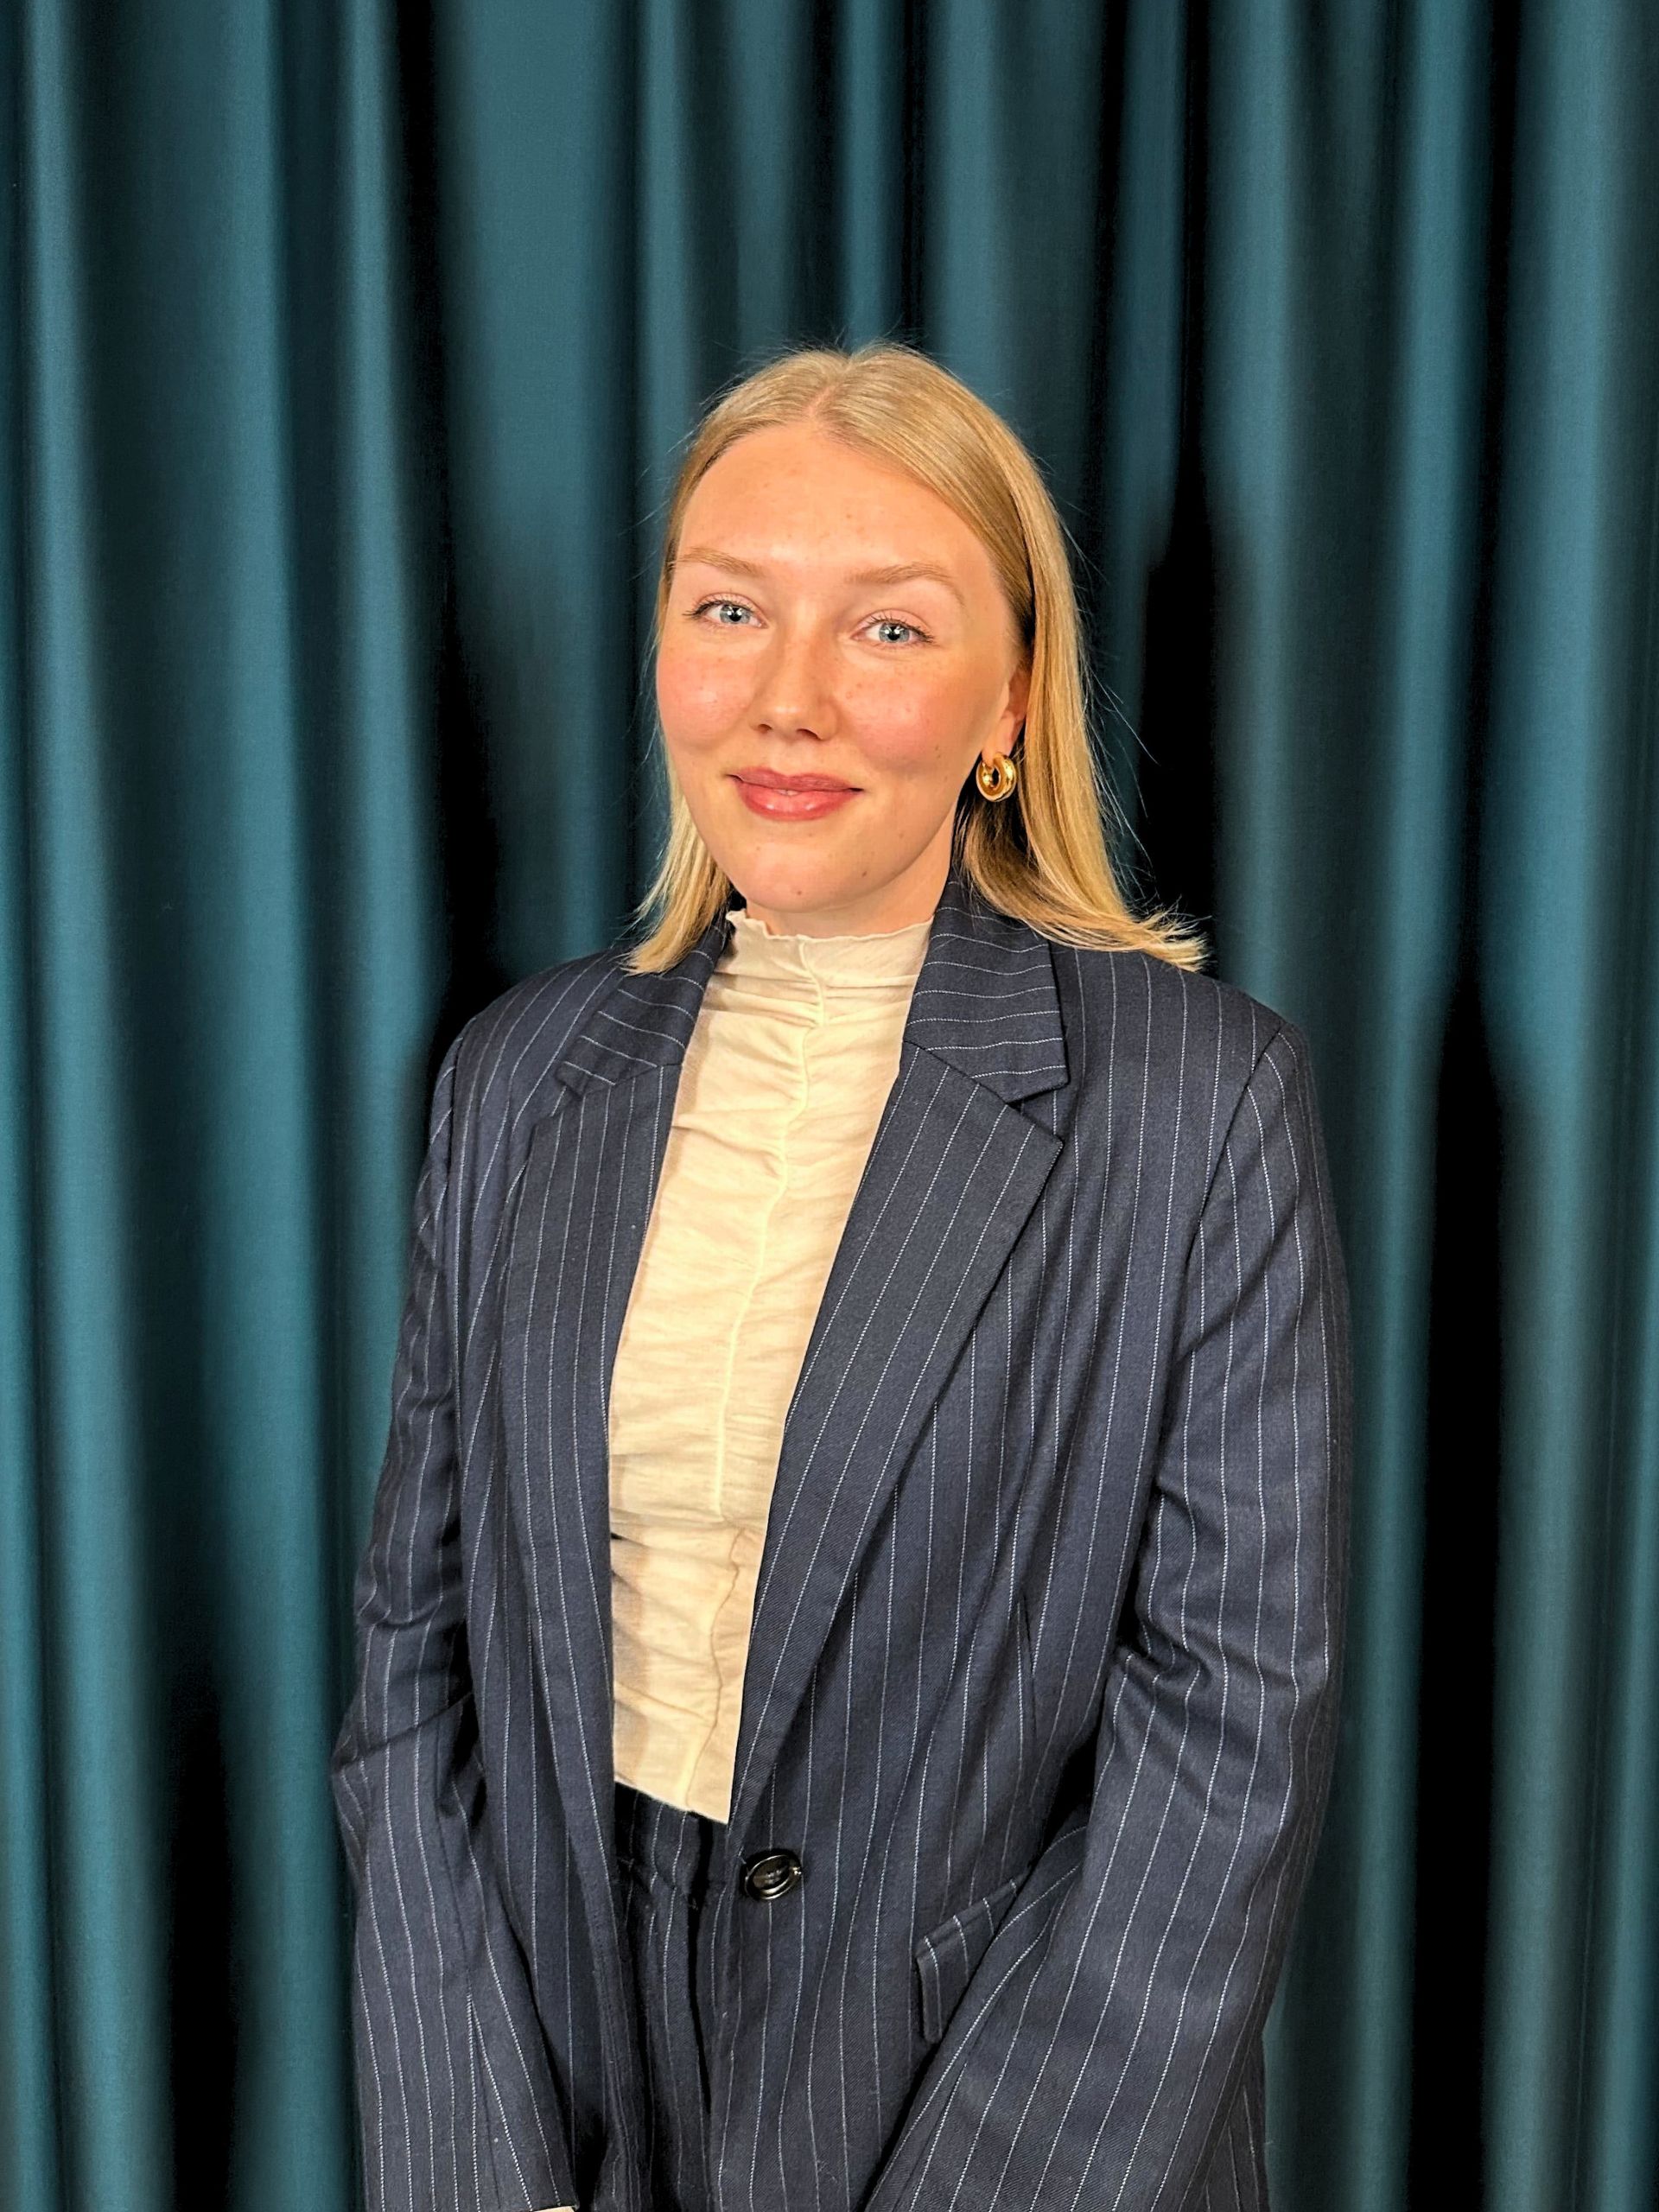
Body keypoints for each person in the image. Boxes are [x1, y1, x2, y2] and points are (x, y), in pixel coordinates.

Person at [330, 340, 1352, 2212]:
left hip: (1003, 2106)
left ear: (1008, 704)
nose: (785, 699)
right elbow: (413, 1680)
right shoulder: (518, 1077)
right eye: (731, 608)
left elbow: (1222, 1744)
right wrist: (487, 2163)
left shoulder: (1199, 1101)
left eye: (885, 631)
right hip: (566, 2079)